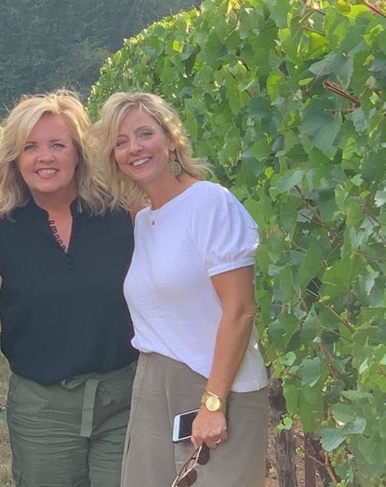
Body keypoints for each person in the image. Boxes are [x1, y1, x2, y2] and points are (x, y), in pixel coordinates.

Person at [89, 92, 270, 487]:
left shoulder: (210, 203)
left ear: (171, 139)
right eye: (121, 142)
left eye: (144, 134)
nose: (134, 148)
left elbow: (240, 310)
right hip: (154, 385)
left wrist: (213, 402)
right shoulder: (144, 220)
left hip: (220, 386)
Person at [0, 90, 137, 487]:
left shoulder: (121, 215)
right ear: (16, 159)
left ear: (78, 153)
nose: (44, 157)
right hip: (42, 409)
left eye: (57, 145)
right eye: (30, 147)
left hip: (123, 400)